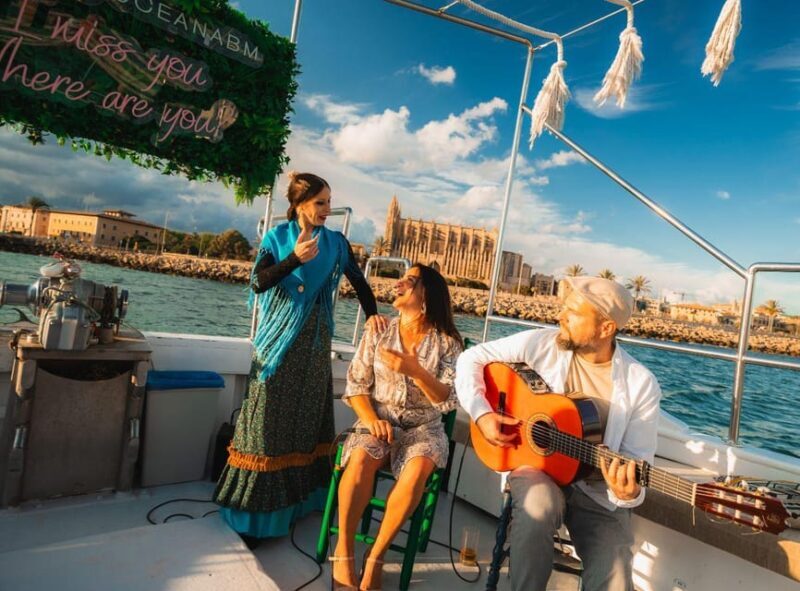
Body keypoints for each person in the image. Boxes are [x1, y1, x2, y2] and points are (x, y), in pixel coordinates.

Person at [455, 276, 661, 591]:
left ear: (605, 328)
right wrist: (482, 415)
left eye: (573, 313)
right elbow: (471, 358)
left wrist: (627, 492)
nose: (559, 317)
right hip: (538, 470)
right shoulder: (541, 343)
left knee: (616, 566)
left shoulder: (641, 384)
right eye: (563, 308)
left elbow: (636, 462)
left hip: (597, 494)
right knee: (539, 505)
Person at [214, 171, 386, 542]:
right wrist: (293, 258)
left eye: (328, 201)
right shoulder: (277, 238)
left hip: (314, 346)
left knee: (305, 423)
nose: (327, 209)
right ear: (299, 205)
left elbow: (359, 282)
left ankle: (296, 507)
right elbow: (258, 283)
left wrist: (372, 314)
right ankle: (255, 522)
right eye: (320, 203)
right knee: (265, 429)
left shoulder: (338, 244)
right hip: (277, 346)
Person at [331, 264, 463, 590]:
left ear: (426, 295)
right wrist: (373, 420)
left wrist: (417, 371)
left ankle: (376, 556)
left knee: (417, 471)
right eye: (401, 278)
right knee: (361, 460)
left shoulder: (448, 344)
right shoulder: (378, 330)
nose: (399, 282)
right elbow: (357, 386)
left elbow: (446, 400)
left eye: (410, 280)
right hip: (378, 419)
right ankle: (344, 552)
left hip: (423, 428)